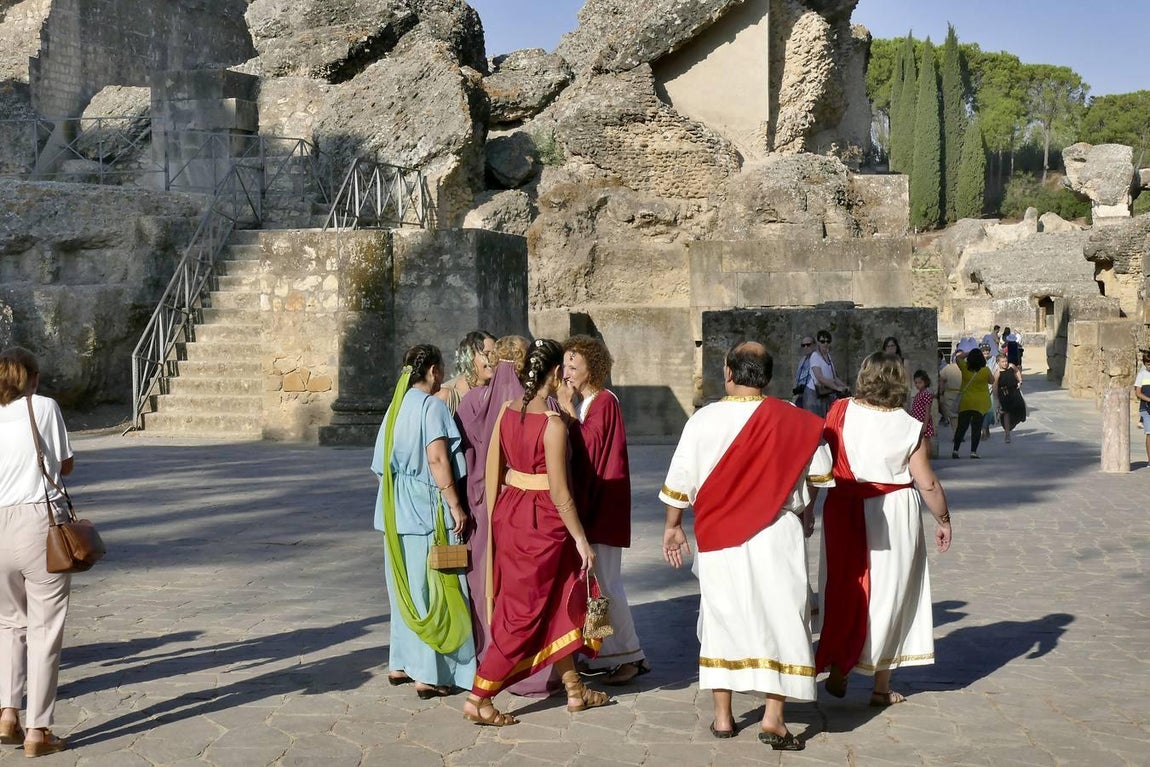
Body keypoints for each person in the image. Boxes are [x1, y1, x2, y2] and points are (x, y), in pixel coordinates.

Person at [661, 342, 833, 750]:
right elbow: (820, 473)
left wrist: (672, 526)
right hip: (777, 531)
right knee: (782, 618)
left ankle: (723, 716)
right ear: (768, 376)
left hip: (719, 535)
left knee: (723, 617)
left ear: (728, 373)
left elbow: (680, 480)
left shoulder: (703, 420)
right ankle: (774, 718)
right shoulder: (795, 419)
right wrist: (807, 509)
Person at [463, 339, 608, 727]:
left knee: (559, 599)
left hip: (511, 512)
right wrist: (581, 539)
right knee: (522, 614)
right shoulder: (552, 424)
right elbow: (561, 494)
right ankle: (479, 697)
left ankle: (575, 689)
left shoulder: (508, 411)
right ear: (556, 372)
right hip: (542, 522)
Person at [816, 353, 952, 707]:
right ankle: (880, 686)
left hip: (844, 508)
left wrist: (807, 509)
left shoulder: (839, 411)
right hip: (892, 512)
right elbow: (928, 483)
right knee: (890, 592)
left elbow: (820, 463)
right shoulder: (908, 425)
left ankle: (842, 661)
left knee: (845, 586)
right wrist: (943, 519)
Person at [372, 345, 476, 700]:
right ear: (432, 371)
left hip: (394, 509)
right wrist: (455, 505)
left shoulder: (395, 406)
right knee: (434, 589)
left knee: (404, 587)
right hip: (425, 510)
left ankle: (401, 662)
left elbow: (379, 465)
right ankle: (429, 673)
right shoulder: (431, 407)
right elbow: (437, 459)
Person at [558, 335, 649, 686]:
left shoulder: (604, 401)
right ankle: (602, 651)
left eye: (574, 366)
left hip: (602, 508)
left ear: (592, 369)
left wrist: (566, 411)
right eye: (565, 365)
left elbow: (589, 445)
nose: (567, 372)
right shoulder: (587, 403)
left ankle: (630, 655)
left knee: (607, 586)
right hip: (591, 506)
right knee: (594, 586)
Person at [0, 347, 73, 758]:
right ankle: (37, 731)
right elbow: (65, 464)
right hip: (36, 522)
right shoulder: (42, 407)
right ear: (32, 377)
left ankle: (7, 713)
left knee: (9, 623)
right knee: (44, 628)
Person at [455, 336, 529, 659]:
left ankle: (486, 648)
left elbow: (462, 456)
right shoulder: (532, 403)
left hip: (481, 499)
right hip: (521, 500)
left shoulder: (472, 401)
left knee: (483, 574)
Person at [437, 331, 496, 415]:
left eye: (495, 354)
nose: (493, 360)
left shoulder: (498, 392)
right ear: (470, 357)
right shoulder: (447, 396)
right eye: (486, 354)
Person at [951, 348, 992, 459]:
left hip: (966, 401)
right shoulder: (985, 370)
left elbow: (958, 357)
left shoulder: (965, 368)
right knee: (976, 428)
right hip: (980, 402)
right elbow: (991, 381)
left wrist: (971, 352)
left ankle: (955, 450)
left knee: (961, 427)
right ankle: (973, 452)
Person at [803, 330, 849, 417]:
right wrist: (837, 388)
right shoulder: (815, 356)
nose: (825, 344)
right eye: (822, 341)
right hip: (814, 395)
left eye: (828, 341)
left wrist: (844, 386)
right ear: (818, 343)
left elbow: (834, 377)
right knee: (815, 419)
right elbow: (820, 377)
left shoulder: (828, 356)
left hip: (825, 393)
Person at [992, 354, 1026, 444]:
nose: (1005, 363)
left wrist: (1020, 381)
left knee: (1020, 407)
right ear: (998, 362)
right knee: (1006, 412)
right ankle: (1007, 434)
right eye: (1002, 362)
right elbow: (995, 386)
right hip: (1004, 394)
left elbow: (1017, 371)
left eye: (1006, 361)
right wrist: (996, 399)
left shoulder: (1011, 366)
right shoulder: (997, 373)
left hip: (1014, 391)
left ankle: (1013, 423)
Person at [937, 352, 962, 428]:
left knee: (954, 417)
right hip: (960, 394)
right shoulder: (967, 367)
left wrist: (941, 394)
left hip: (951, 395)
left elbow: (941, 381)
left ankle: (956, 432)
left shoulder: (947, 368)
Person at [1133, 351, 1150, 464]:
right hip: (1146, 408)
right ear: (1145, 363)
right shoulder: (1141, 375)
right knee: (1149, 433)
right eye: (1148, 364)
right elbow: (1138, 393)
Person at [910, 369, 935, 443]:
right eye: (916, 383)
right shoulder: (919, 394)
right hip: (917, 422)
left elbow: (927, 411)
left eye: (920, 382)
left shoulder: (926, 394)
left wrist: (925, 425)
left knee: (925, 442)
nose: (917, 385)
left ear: (925, 382)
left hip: (923, 422)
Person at [793, 336, 815, 407]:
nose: (805, 347)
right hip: (801, 396)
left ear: (814, 345)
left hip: (812, 397)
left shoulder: (818, 359)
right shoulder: (802, 360)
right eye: (803, 345)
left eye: (808, 345)